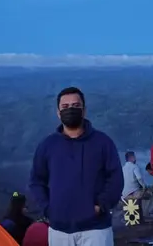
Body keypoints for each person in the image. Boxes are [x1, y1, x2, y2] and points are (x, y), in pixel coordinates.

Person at [29, 87, 123, 246]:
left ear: (84, 110)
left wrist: (100, 206)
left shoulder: (102, 143)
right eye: (65, 107)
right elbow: (36, 181)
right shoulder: (47, 146)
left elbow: (115, 179)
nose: (70, 110)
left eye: (75, 106)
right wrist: (48, 209)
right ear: (58, 113)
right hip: (59, 231)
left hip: (96, 230)